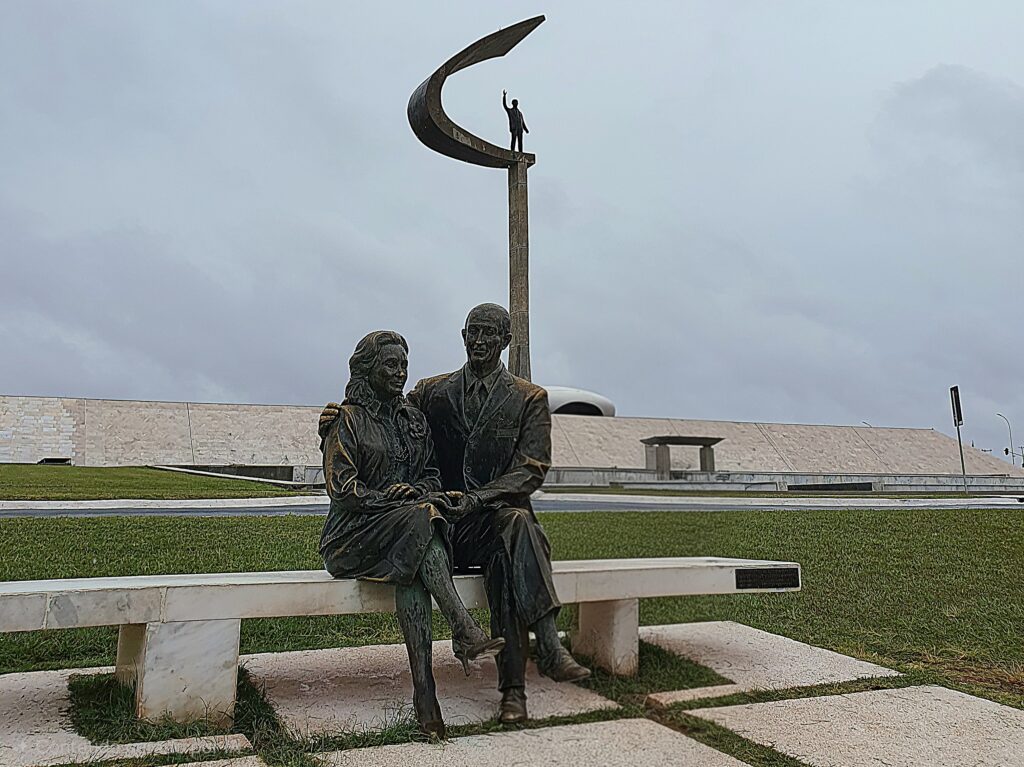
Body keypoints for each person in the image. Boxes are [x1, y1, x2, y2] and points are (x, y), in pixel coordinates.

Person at [320, 306, 589, 726]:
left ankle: (518, 685)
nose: (479, 341)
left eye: (489, 334)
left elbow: (529, 470)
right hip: (436, 522)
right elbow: (385, 412)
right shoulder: (432, 392)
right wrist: (333, 420)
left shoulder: (528, 398)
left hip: (484, 519)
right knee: (446, 536)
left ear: (506, 341)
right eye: (473, 333)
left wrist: (473, 499)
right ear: (463, 336)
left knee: (513, 536)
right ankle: (490, 643)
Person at [319, 330, 504, 740]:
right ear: (367, 369)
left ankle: (426, 695)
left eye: (404, 364)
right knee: (421, 523)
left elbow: (432, 475)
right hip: (352, 537)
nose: (400, 372)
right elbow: (342, 490)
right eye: (390, 364)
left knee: (415, 562)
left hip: (407, 534)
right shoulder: (346, 420)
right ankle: (463, 627)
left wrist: (415, 491)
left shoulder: (413, 420)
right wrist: (389, 498)